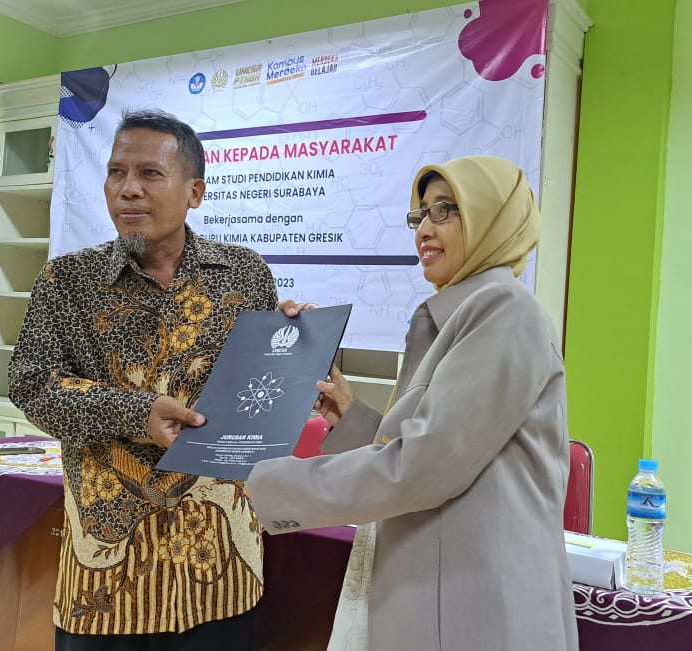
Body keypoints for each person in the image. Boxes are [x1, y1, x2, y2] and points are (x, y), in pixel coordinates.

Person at [247, 155, 579, 650]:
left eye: (445, 210)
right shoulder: (452, 315)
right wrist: (351, 416)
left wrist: (263, 484)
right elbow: (430, 447)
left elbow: (422, 467)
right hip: (441, 594)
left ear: (492, 216)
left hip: (481, 607)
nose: (425, 228)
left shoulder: (505, 311)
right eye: (420, 213)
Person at [8, 109, 277, 650]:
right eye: (117, 172)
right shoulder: (68, 281)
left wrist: (299, 340)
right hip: (108, 577)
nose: (128, 189)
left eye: (150, 173)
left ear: (194, 191)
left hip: (219, 565)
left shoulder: (245, 274)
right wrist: (136, 413)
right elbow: (32, 384)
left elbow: (264, 389)